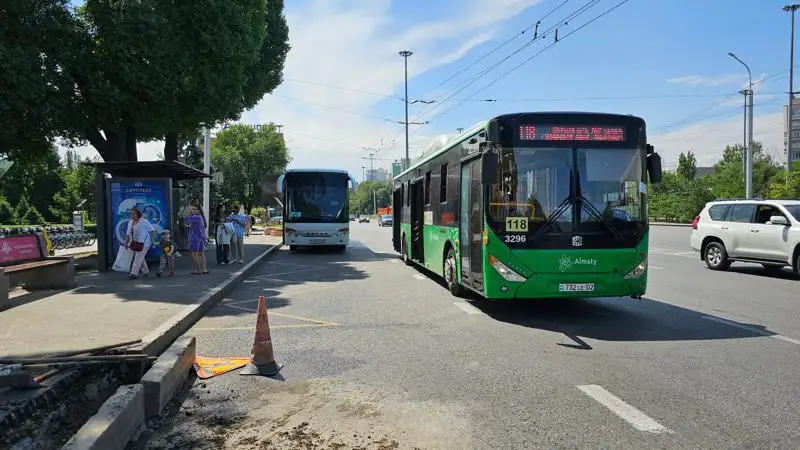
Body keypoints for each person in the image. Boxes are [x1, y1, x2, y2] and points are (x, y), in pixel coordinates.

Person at [125, 207, 156, 280]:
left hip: (144, 243)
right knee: (140, 257)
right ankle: (145, 271)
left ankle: (133, 273)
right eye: (131, 214)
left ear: (138, 214)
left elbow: (152, 230)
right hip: (135, 243)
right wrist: (126, 243)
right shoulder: (130, 222)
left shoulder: (144, 221)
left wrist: (153, 240)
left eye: (134, 214)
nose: (132, 216)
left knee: (138, 257)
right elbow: (128, 234)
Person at [185, 205, 208, 274]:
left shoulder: (196, 217)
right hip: (200, 238)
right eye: (192, 209)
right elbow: (196, 226)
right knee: (201, 254)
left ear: (199, 210)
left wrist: (188, 212)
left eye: (194, 209)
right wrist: (189, 226)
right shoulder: (200, 217)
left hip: (194, 238)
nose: (193, 210)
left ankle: (197, 270)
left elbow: (186, 218)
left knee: (195, 254)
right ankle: (204, 269)